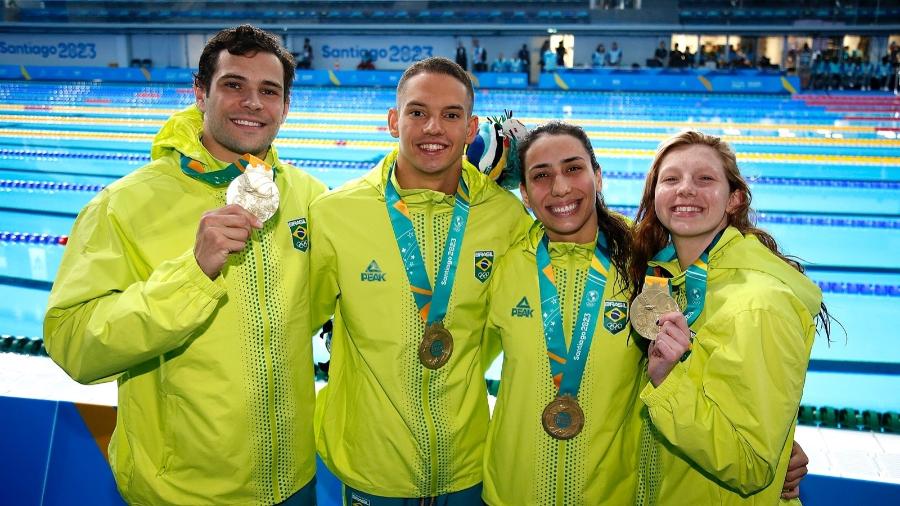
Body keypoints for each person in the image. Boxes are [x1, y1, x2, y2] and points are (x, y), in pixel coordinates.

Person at [42, 25, 326, 505]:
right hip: (184, 491)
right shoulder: (124, 205)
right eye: (234, 85)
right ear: (200, 93)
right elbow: (74, 345)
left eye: (268, 91)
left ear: (285, 107)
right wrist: (192, 274)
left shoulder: (308, 198)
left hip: (293, 480)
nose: (253, 103)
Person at [308, 57, 530, 503]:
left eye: (451, 115)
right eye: (417, 112)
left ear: (470, 130)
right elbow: (293, 326)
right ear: (394, 121)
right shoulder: (335, 214)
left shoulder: (505, 218)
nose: (434, 128)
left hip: (466, 466)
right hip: (370, 468)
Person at [629, 131, 826, 504]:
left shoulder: (760, 304)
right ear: (655, 196)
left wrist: (669, 381)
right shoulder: (668, 281)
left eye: (705, 179)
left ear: (733, 199)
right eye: (671, 179)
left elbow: (750, 465)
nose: (686, 189)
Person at [482, 122, 642, 504]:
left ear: (597, 176)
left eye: (573, 168)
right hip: (510, 494)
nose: (560, 188)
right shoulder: (504, 265)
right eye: (541, 175)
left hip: (609, 496)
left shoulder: (647, 264)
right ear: (524, 193)